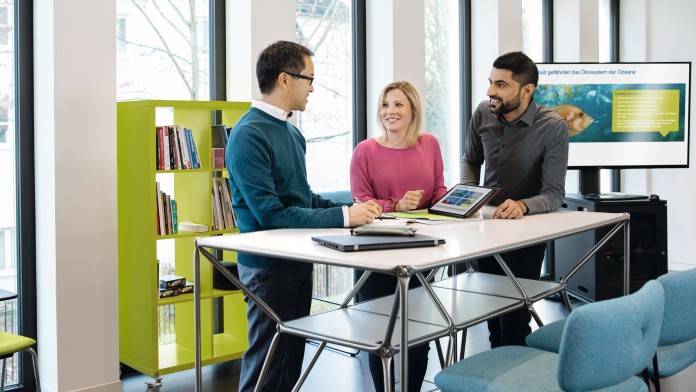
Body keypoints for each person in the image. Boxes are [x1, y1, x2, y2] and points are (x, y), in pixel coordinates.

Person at [225, 40, 382, 392]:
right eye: (309, 78)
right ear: (285, 79)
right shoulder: (248, 134)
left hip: (297, 259)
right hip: (267, 266)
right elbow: (271, 214)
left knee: (291, 357)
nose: (312, 87)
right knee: (268, 359)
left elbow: (302, 198)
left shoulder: (292, 133)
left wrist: (353, 210)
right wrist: (343, 218)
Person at [461, 51, 569, 348]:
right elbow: (470, 160)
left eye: (500, 85)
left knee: (515, 319)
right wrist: (469, 194)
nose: (490, 91)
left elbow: (554, 194)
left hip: (526, 236)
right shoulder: (483, 113)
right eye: (490, 82)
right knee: (491, 315)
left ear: (527, 90)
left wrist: (523, 205)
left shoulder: (553, 127)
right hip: (485, 231)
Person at [349, 81, 447, 392]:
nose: (390, 111)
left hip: (420, 251)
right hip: (376, 253)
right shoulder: (365, 150)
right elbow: (360, 202)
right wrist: (396, 205)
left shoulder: (429, 143)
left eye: (398, 104)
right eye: (385, 105)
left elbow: (439, 190)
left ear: (413, 109)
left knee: (418, 336)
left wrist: (457, 205)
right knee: (381, 337)